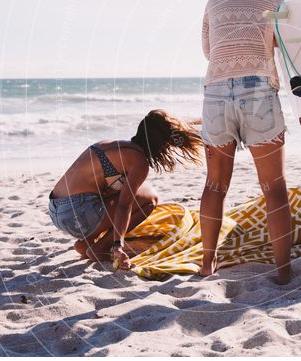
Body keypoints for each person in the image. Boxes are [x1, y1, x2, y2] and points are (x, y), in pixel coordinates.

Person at [199, 0, 301, 284]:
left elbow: (208, 49)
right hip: (258, 92)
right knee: (274, 187)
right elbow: (300, 57)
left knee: (215, 185)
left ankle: (206, 264)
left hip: (215, 94)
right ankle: (283, 270)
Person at [47, 109, 202, 270]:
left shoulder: (109, 145)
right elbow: (123, 206)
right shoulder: (139, 162)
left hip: (56, 211)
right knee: (150, 198)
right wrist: (117, 245)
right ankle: (100, 248)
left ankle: (86, 241)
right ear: (161, 144)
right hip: (79, 214)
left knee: (126, 192)